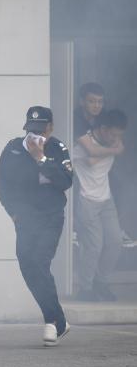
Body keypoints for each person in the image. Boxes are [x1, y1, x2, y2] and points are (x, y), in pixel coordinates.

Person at [0, 106, 73, 346]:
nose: (36, 135)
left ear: (50, 128)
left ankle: (52, 320)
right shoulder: (12, 149)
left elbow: (66, 181)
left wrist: (41, 158)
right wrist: (14, 213)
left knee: (40, 261)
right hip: (25, 218)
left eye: (41, 130)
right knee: (27, 264)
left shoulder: (57, 148)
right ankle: (58, 320)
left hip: (51, 215)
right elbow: (2, 183)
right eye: (32, 130)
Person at [72, 109, 128, 301]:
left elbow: (108, 151)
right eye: (113, 134)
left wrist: (113, 146)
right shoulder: (84, 144)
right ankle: (85, 289)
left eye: (119, 135)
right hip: (86, 199)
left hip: (106, 200)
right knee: (93, 245)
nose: (116, 139)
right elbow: (91, 158)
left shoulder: (112, 141)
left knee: (115, 242)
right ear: (103, 129)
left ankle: (101, 282)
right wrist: (113, 150)